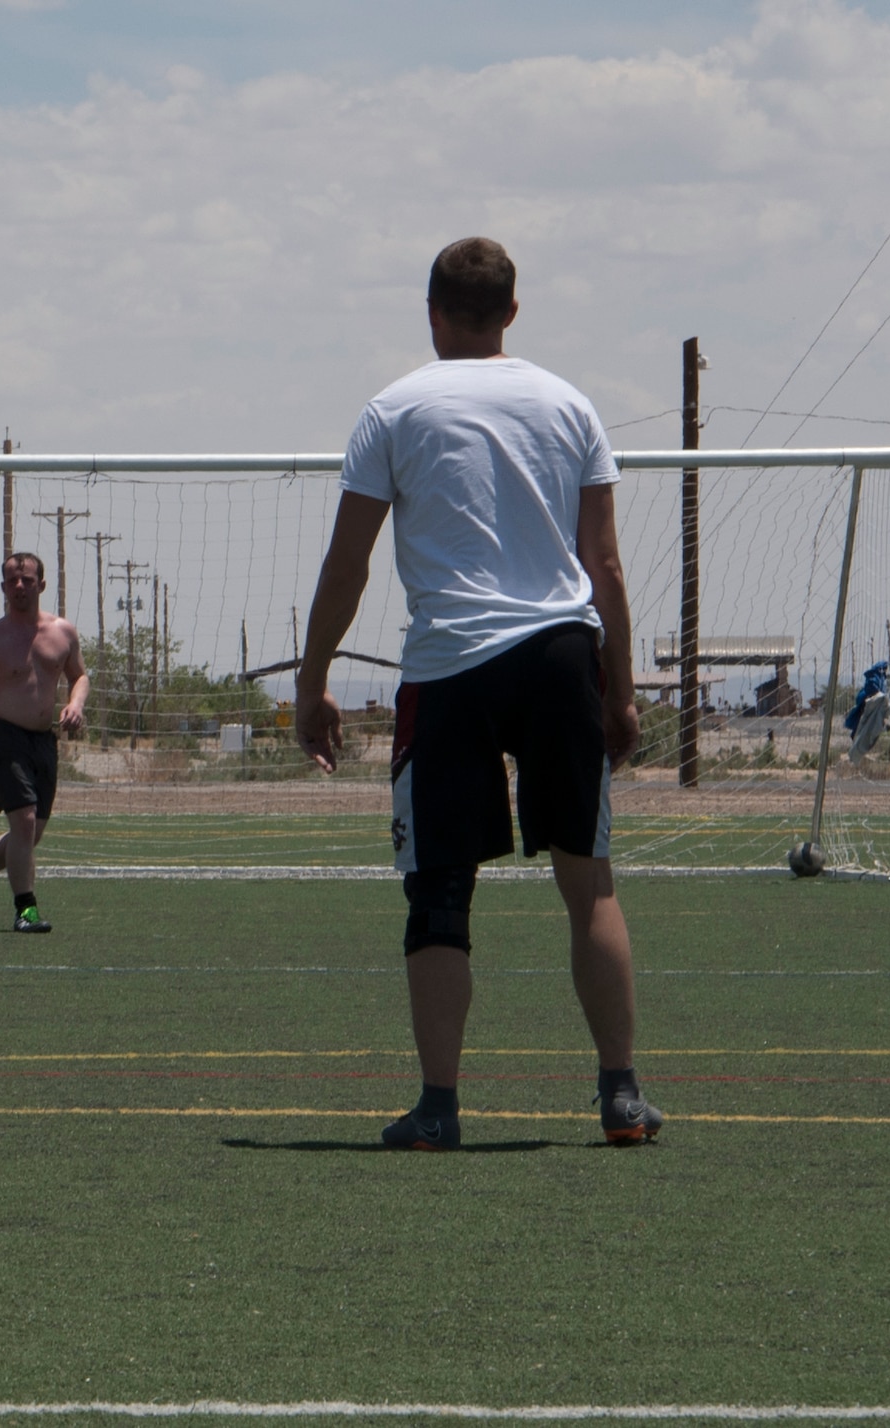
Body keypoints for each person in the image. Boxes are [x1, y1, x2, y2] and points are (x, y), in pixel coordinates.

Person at [294, 237, 663, 1150]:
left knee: (439, 897)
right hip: (557, 656)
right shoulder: (569, 403)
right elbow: (605, 567)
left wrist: (312, 683)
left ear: (431, 312)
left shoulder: (394, 409)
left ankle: (438, 1107)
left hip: (451, 667)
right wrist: (619, 694)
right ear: (512, 312)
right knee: (590, 885)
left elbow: (350, 563)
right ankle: (620, 1094)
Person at [0, 551, 89, 934]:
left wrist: (76, 703)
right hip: (1, 737)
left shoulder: (63, 632)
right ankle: (25, 911)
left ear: (41, 584)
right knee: (24, 822)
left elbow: (80, 675)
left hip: (42, 741)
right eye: (12, 580)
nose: (20, 586)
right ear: (3, 588)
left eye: (27, 579)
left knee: (30, 833)